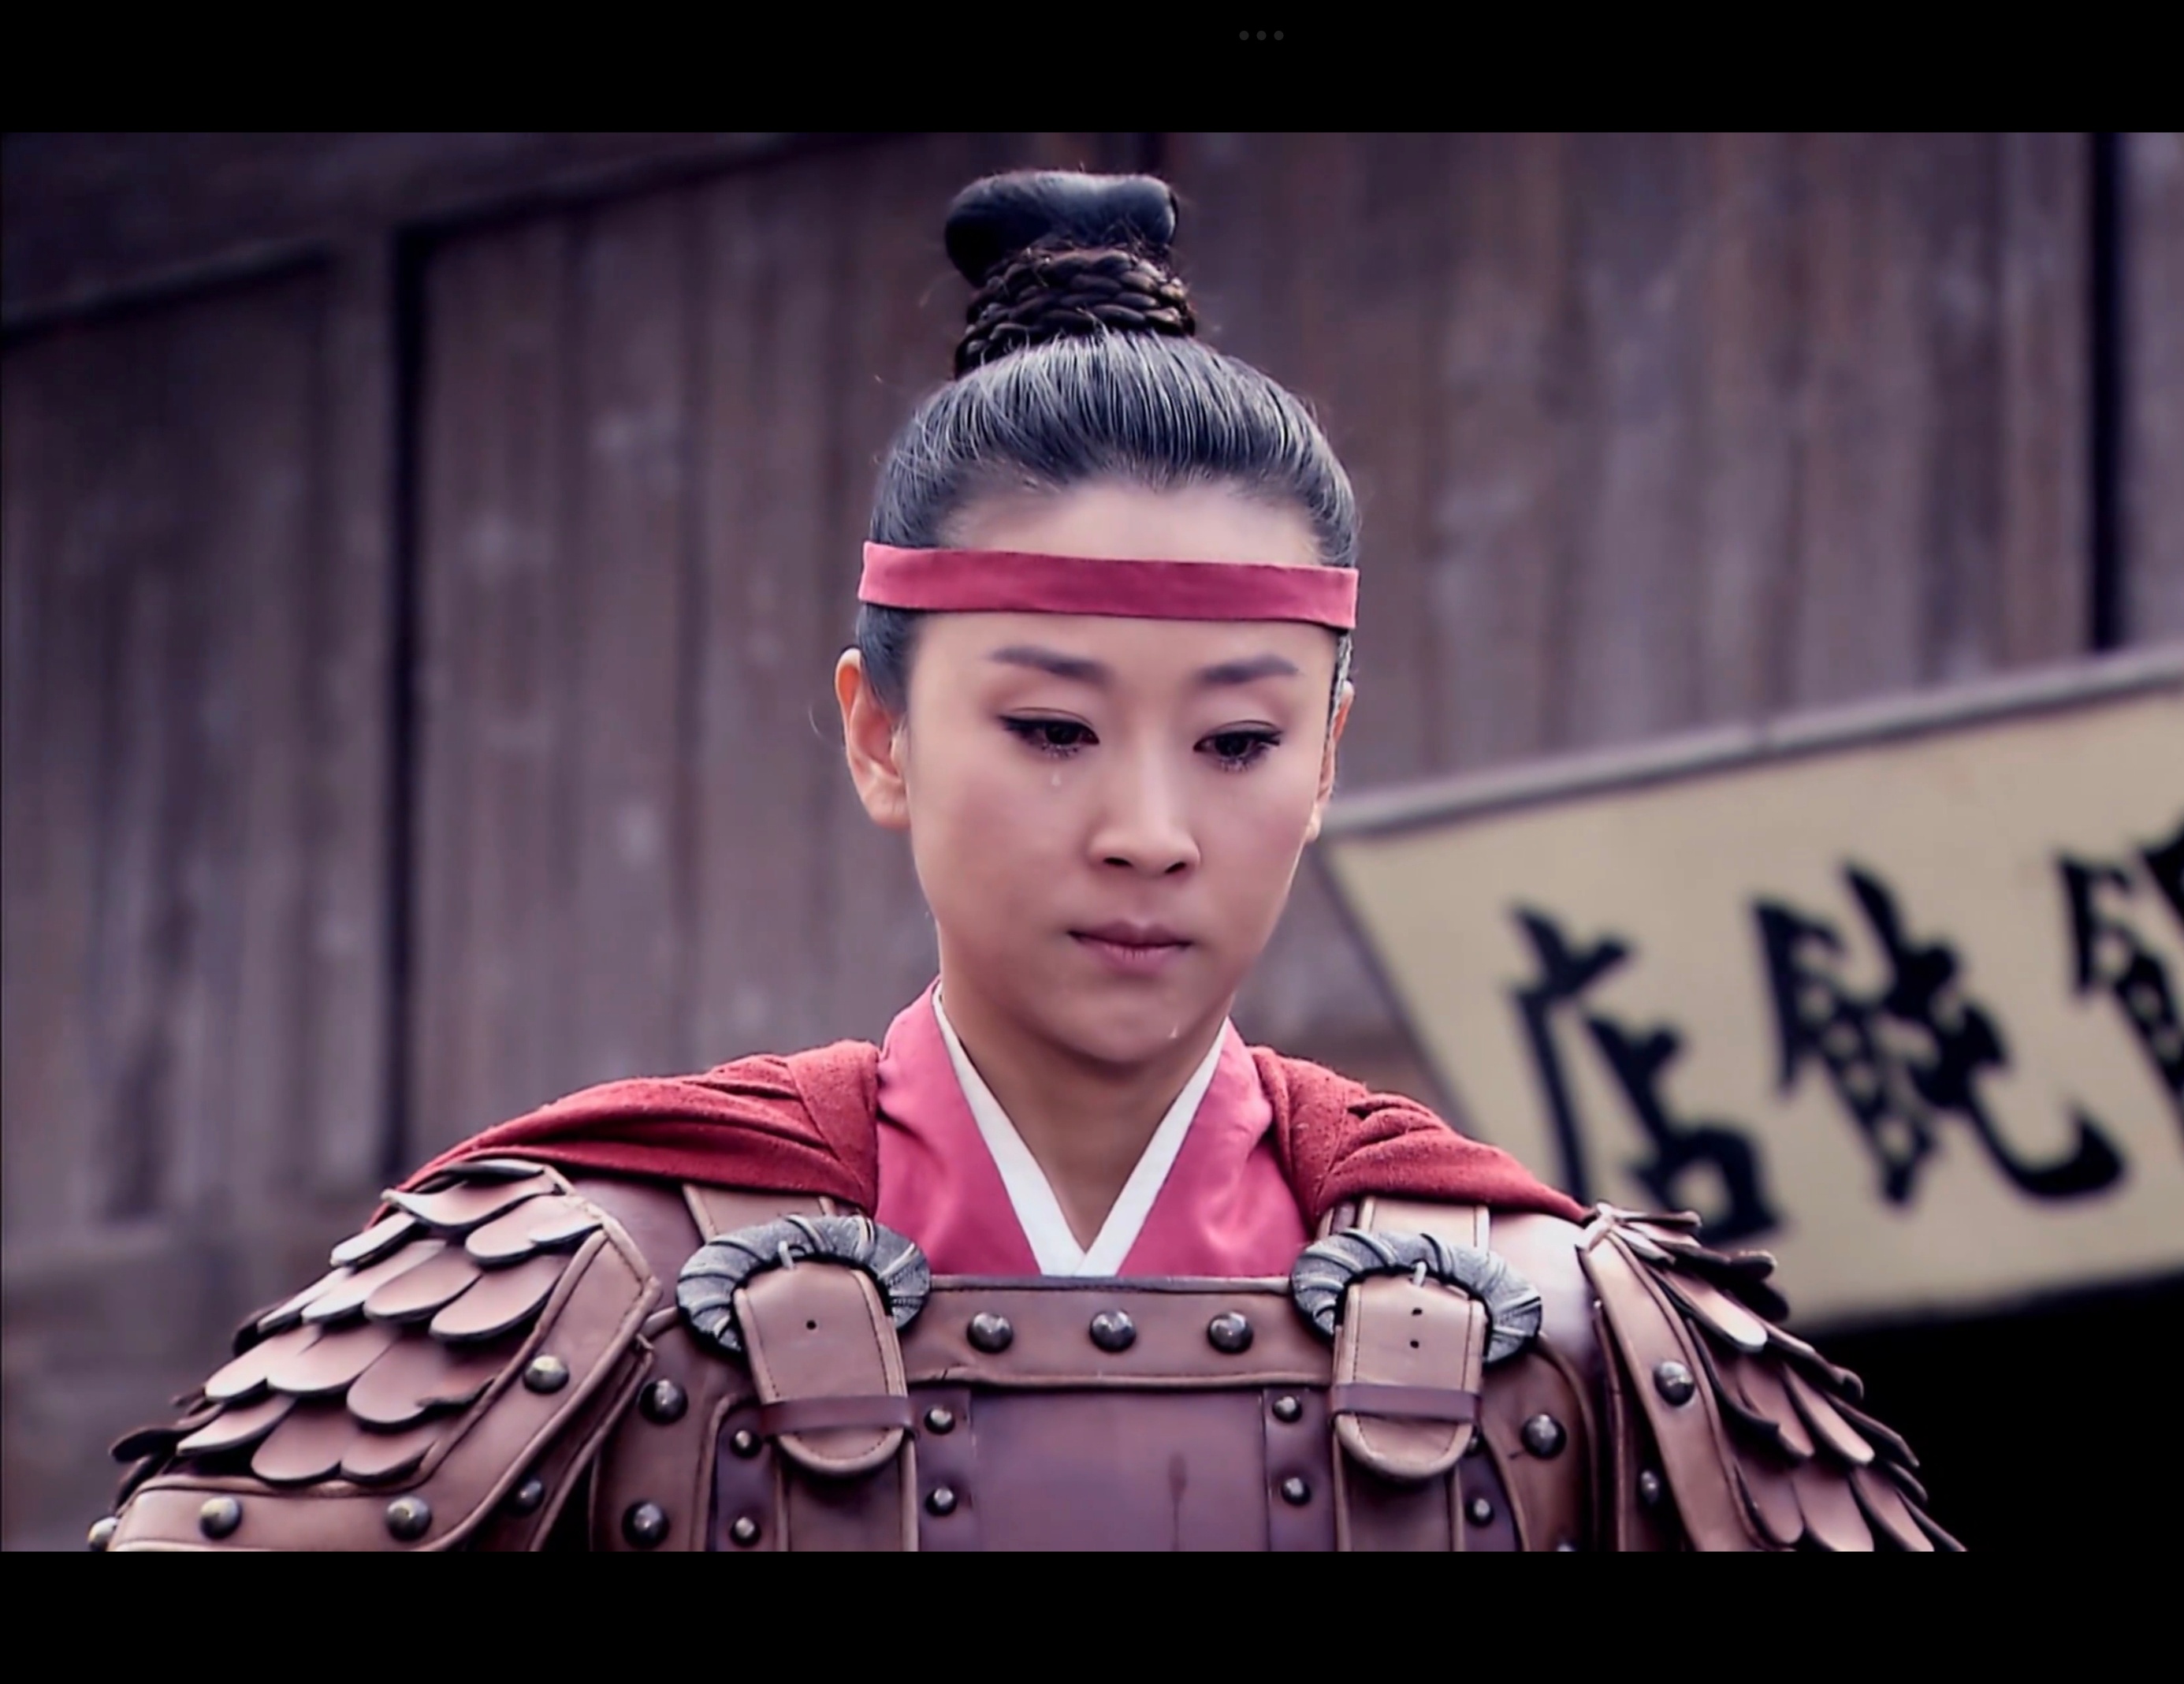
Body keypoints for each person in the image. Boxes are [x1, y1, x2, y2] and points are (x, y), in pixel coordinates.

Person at [95, 170, 1959, 1553]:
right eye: (1053, 729)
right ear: (879, 734)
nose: (1147, 829)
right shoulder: (576, 1286)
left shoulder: (1567, 1339)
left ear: (1327, 758)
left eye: (1237, 742)